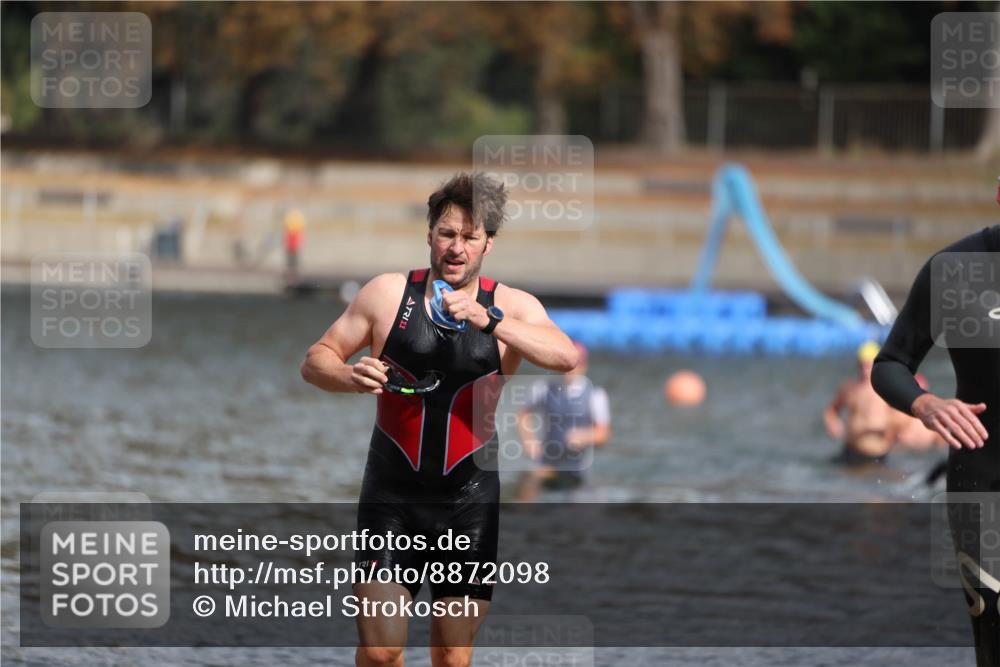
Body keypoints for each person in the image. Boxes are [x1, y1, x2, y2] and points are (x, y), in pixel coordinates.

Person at [300, 172, 578, 667]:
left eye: (470, 237)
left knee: (451, 655)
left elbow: (563, 357)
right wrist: (347, 375)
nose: (457, 247)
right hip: (391, 498)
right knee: (382, 651)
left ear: (488, 244)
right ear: (429, 235)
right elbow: (315, 359)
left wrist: (488, 319)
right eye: (447, 233)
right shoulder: (387, 295)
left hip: (468, 503)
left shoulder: (511, 305)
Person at [871, 224, 999, 666]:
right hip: (983, 476)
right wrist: (924, 404)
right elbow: (890, 364)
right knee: (993, 631)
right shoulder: (955, 269)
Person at [515, 341, 611, 501]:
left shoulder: (596, 395)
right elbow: (523, 414)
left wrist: (585, 436)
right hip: (547, 465)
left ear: (584, 366)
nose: (570, 369)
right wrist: (530, 441)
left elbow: (603, 435)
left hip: (576, 469)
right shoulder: (543, 389)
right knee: (527, 488)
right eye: (566, 364)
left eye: (576, 364)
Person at [824, 341, 895, 467]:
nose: (864, 370)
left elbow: (903, 418)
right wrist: (832, 423)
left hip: (877, 453)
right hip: (850, 451)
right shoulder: (849, 387)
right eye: (861, 365)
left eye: (867, 365)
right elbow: (831, 410)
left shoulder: (886, 388)